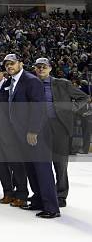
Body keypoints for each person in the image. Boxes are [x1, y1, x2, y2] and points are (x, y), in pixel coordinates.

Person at [3, 54, 60, 219]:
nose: (9, 66)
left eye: (12, 63)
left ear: (20, 63)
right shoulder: (11, 82)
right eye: (7, 64)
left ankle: (52, 207)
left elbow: (38, 108)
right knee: (31, 169)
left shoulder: (31, 80)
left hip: (35, 134)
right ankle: (38, 201)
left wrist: (33, 130)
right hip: (21, 134)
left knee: (42, 169)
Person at [33, 57, 89, 208]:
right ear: (35, 69)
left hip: (59, 127)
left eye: (44, 66)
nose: (41, 69)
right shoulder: (33, 84)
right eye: (38, 67)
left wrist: (71, 110)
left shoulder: (62, 83)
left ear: (50, 68)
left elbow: (83, 97)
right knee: (41, 164)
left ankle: (61, 195)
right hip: (39, 128)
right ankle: (43, 194)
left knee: (60, 164)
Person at [0, 64, 28, 207]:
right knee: (0, 164)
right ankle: (8, 193)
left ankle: (21, 194)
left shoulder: (10, 86)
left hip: (9, 131)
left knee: (16, 164)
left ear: (2, 73)